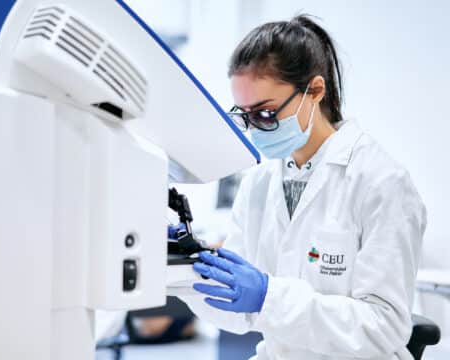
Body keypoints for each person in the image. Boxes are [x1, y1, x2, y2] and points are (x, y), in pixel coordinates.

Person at [178, 14, 427, 360]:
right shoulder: (260, 184)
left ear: (315, 90)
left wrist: (270, 296)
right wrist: (182, 269)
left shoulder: (381, 182)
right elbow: (240, 313)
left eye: (265, 114)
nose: (255, 129)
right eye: (246, 116)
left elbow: (383, 328)